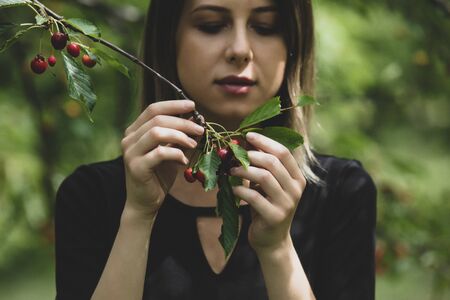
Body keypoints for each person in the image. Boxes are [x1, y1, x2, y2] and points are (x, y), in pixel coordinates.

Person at [54, 0, 377, 299]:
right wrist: (138, 216)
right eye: (210, 25)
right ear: (169, 39)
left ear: (294, 44)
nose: (239, 50)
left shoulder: (343, 192)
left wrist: (277, 249)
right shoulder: (92, 196)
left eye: (265, 27)